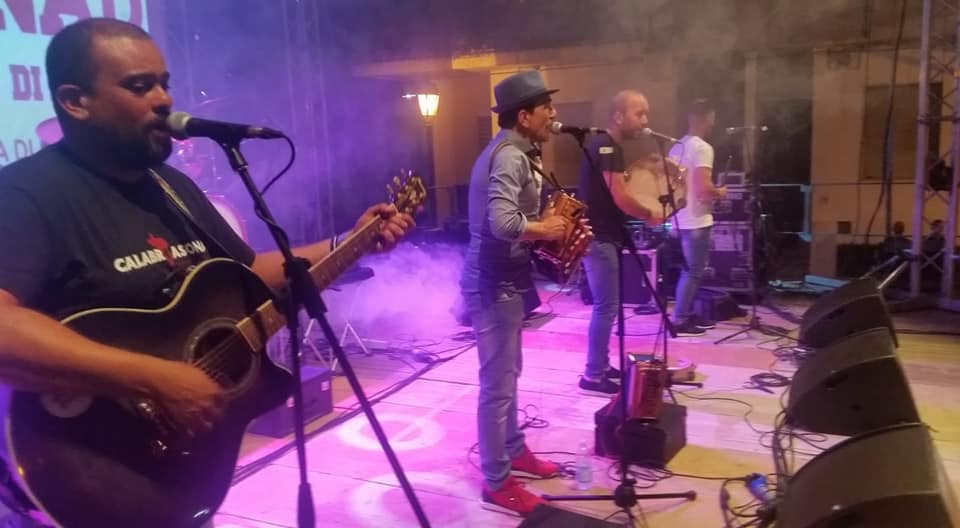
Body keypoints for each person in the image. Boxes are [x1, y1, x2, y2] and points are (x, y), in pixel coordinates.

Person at [0, 17, 414, 523]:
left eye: (164, 83)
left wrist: (350, 242)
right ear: (75, 101)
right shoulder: (25, 194)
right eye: (140, 86)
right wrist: (154, 380)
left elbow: (248, 273)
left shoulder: (171, 187)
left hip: (179, 473)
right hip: (81, 475)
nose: (164, 100)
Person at [460, 70, 575, 516]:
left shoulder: (515, 153)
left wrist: (545, 224)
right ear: (524, 116)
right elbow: (503, 223)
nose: (553, 113)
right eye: (546, 107)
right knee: (497, 386)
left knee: (509, 375)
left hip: (505, 279)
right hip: (492, 283)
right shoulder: (510, 157)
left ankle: (513, 449)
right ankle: (497, 481)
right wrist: (546, 228)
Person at [577, 90, 659, 395]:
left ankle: (600, 364)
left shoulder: (602, 144)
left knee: (607, 306)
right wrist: (649, 214)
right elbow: (620, 197)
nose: (645, 120)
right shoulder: (609, 146)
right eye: (639, 113)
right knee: (606, 307)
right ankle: (592, 375)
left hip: (600, 237)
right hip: (600, 239)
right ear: (618, 116)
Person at [669, 98, 726, 336]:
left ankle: (686, 313)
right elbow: (703, 189)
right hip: (696, 220)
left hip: (679, 218)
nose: (713, 122)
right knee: (694, 271)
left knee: (688, 270)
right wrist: (720, 192)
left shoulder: (676, 147)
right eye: (712, 117)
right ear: (707, 118)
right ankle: (681, 319)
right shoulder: (703, 148)